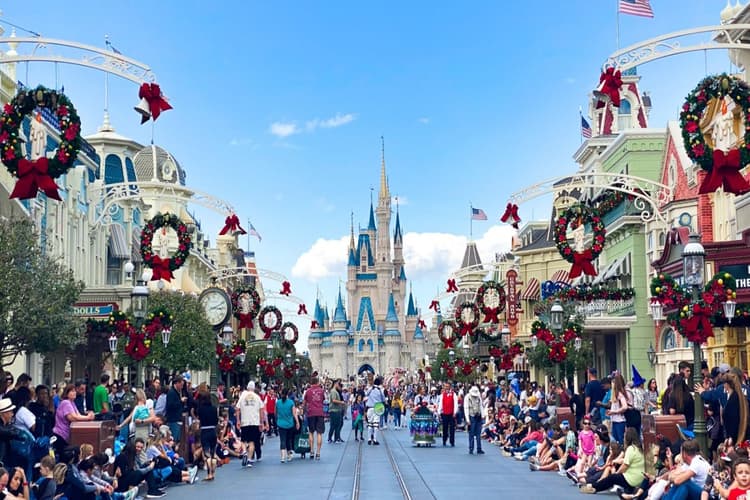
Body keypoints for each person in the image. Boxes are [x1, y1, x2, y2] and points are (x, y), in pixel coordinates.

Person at [580, 427, 644, 494]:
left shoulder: (631, 449)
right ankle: (630, 489)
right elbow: (630, 461)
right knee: (613, 476)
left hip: (631, 479)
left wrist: (616, 474)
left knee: (612, 478)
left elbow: (625, 466)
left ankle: (594, 487)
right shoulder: (639, 448)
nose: (623, 438)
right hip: (639, 478)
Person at [52, 384, 94, 453]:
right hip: (60, 435)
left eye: (74, 391)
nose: (74, 393)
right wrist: (88, 417)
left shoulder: (72, 403)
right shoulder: (66, 402)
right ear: (66, 393)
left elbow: (78, 415)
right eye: (72, 391)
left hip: (66, 435)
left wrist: (88, 416)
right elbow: (73, 417)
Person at [236, 381, 265, 467]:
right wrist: (261, 422)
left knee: (243, 440)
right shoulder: (257, 397)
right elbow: (261, 409)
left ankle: (245, 451)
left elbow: (237, 408)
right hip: (254, 422)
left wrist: (238, 420)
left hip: (245, 421)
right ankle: (249, 460)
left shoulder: (242, 396)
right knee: (252, 442)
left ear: (247, 388)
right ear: (254, 388)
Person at [196, 386, 219, 481]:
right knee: (213, 452)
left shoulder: (200, 409)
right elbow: (216, 421)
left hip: (204, 430)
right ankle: (213, 472)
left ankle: (209, 473)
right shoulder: (214, 409)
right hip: (212, 430)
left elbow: (199, 419)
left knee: (206, 453)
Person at [304, 376, 326, 458]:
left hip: (311, 413)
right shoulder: (321, 391)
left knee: (311, 432)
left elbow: (305, 402)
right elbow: (323, 400)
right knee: (319, 433)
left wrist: (304, 410)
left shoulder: (308, 391)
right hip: (320, 413)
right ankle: (318, 453)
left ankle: (311, 451)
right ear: (317, 382)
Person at [275, 388, 298, 463]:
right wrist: (297, 422)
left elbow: (275, 413)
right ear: (288, 394)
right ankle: (289, 455)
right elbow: (294, 413)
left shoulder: (278, 402)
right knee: (289, 439)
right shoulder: (291, 402)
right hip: (289, 424)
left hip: (280, 423)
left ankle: (282, 457)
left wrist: (277, 420)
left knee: (282, 439)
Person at [364, 376, 386, 447]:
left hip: (370, 408)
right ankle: (375, 439)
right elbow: (383, 399)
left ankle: (369, 439)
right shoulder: (380, 390)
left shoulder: (370, 389)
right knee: (376, 425)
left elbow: (366, 394)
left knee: (370, 424)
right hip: (377, 408)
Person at [464, 385, 485, 455]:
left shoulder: (478, 396)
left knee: (478, 433)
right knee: (471, 433)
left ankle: (479, 448)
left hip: (478, 416)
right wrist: (467, 419)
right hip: (471, 416)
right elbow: (466, 408)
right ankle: (471, 448)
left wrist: (483, 415)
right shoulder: (467, 397)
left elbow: (481, 406)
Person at [165, 376, 185, 445]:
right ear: (177, 383)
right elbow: (170, 406)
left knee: (177, 439)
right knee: (173, 439)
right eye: (181, 385)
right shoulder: (171, 393)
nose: (182, 387)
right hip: (173, 420)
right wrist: (180, 401)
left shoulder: (177, 392)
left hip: (177, 419)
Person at [437, 382, 458, 447]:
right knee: (445, 428)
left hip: (451, 413)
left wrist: (455, 412)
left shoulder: (454, 394)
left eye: (447, 386)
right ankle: (444, 440)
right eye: (445, 386)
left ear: (450, 387)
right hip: (444, 413)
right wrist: (439, 412)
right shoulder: (442, 395)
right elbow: (440, 404)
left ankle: (452, 441)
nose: (446, 387)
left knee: (452, 428)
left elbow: (456, 404)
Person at [327, 379, 345, 444]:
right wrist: (341, 402)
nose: (338, 385)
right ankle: (331, 438)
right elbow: (334, 400)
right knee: (334, 425)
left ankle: (336, 438)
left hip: (337, 410)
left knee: (337, 424)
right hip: (334, 410)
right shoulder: (333, 391)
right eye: (337, 384)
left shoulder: (335, 391)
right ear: (335, 384)